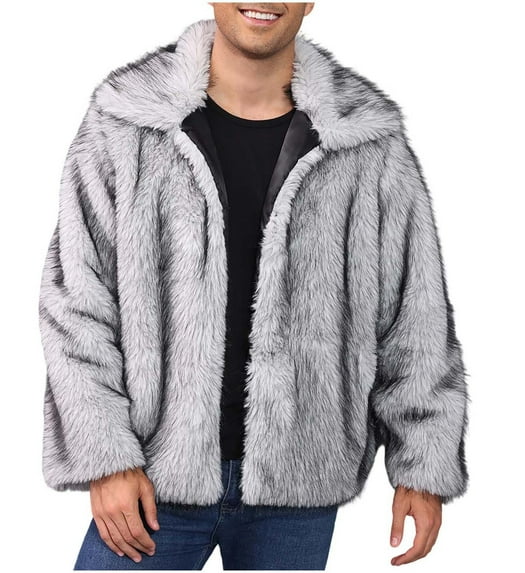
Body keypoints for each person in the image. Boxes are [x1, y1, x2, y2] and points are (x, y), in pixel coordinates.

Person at [37, 3, 470, 570]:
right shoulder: (127, 122)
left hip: (298, 489)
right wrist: (107, 456)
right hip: (150, 475)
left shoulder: (367, 143)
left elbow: (414, 312)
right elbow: (75, 301)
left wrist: (423, 464)